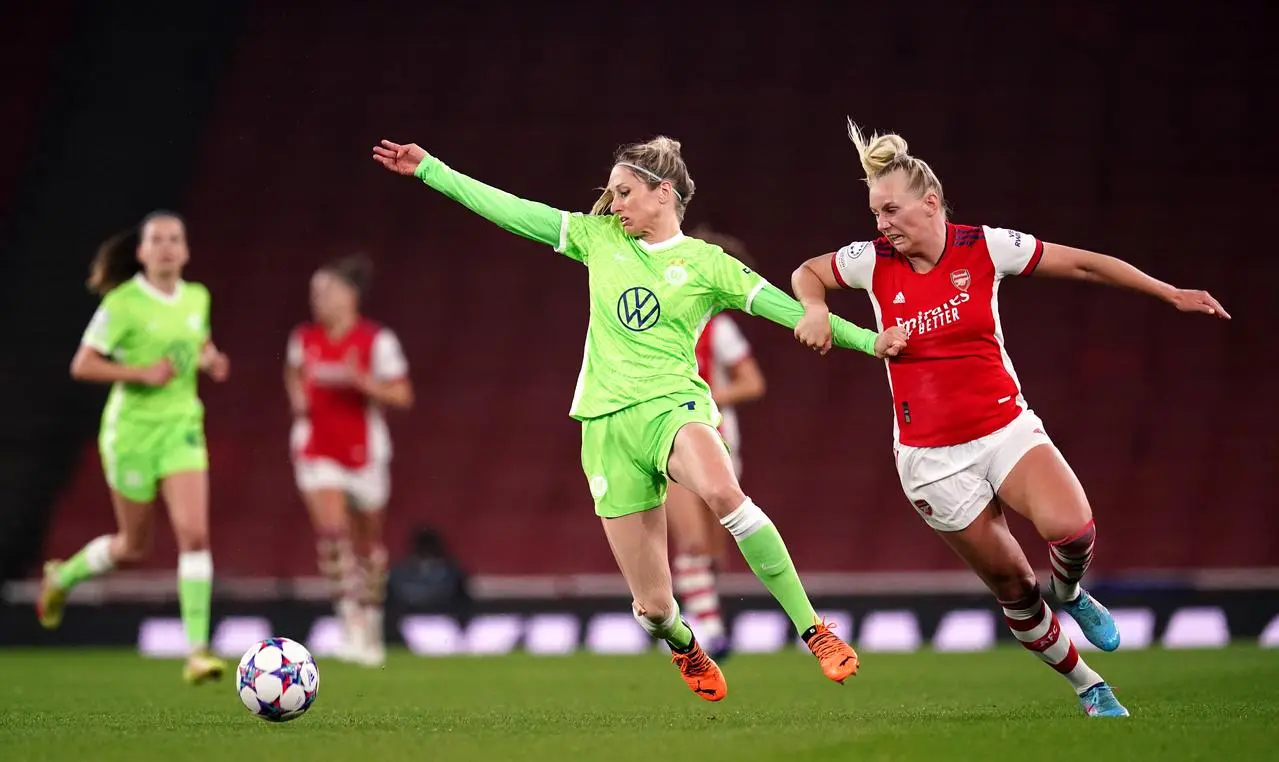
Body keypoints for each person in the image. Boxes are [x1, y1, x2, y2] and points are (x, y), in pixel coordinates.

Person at [373, 135, 907, 702]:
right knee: (653, 608)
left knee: (724, 494)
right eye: (611, 194)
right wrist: (431, 170)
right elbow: (510, 210)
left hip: (673, 407)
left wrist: (871, 341)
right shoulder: (596, 238)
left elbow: (788, 308)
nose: (615, 204)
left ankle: (813, 630)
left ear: (664, 193)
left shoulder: (706, 263)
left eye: (624, 192)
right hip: (605, 425)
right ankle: (682, 642)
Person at [790, 120, 1231, 718]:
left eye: (890, 210)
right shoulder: (871, 261)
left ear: (931, 203)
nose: (881, 224)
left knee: (1072, 530)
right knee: (1015, 589)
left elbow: (1084, 265)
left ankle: (1071, 592)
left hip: (1004, 429)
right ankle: (1089, 686)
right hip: (929, 458)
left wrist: (1169, 292)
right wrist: (814, 308)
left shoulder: (984, 247)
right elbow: (808, 272)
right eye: (874, 213)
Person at [38, 210, 231, 685]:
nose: (166, 246)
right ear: (141, 252)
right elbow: (83, 365)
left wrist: (211, 360)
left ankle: (198, 651)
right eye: (157, 240)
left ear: (185, 251)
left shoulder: (196, 297)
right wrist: (139, 374)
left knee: (195, 534)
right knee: (133, 546)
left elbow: (198, 341)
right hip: (130, 436)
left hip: (181, 428)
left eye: (175, 239)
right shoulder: (122, 304)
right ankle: (62, 578)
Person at [284, 255, 413, 667]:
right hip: (316, 446)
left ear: (350, 295)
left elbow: (403, 395)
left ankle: (371, 626)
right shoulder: (304, 338)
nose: (318, 299)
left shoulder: (376, 340)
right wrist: (299, 399)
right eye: (314, 292)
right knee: (334, 536)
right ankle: (348, 625)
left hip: (365, 451)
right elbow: (292, 372)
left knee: (368, 546)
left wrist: (363, 383)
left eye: (327, 290)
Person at [667, 224, 767, 661]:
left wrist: (706, 395)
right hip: (669, 437)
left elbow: (753, 383)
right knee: (689, 540)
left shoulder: (719, 329)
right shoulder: (663, 314)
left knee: (711, 549)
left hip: (718, 442)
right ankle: (707, 630)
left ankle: (706, 619)